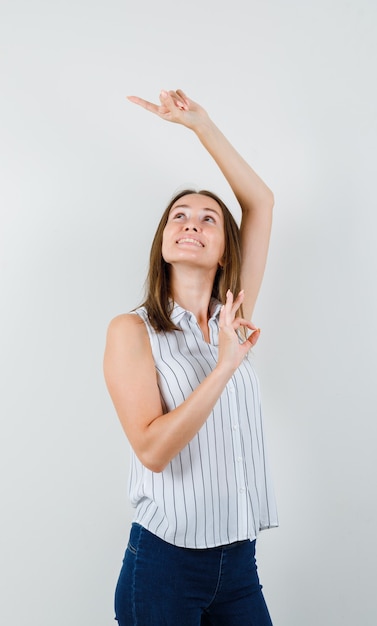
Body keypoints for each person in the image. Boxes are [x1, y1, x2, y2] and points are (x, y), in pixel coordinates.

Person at [103, 88, 278, 626]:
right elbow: (152, 450)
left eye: (208, 220)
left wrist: (201, 125)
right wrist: (224, 366)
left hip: (240, 563)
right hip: (164, 568)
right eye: (179, 216)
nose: (191, 225)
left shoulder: (234, 313)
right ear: (163, 240)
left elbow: (261, 202)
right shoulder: (133, 331)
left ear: (228, 247)